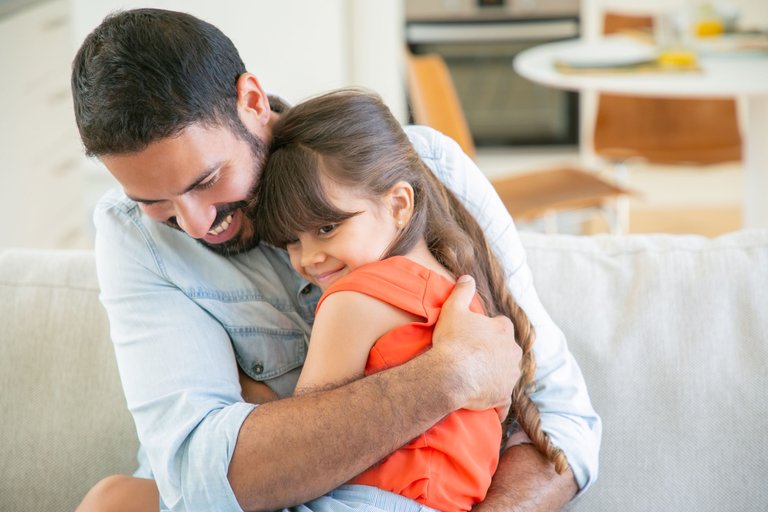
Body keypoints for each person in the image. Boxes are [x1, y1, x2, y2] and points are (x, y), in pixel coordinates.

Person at [71, 7, 601, 512]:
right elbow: (198, 477)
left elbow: (561, 421)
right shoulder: (132, 237)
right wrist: (448, 377)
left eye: (207, 181)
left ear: (252, 101)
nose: (193, 225)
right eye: (155, 202)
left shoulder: (421, 167)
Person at [251, 89, 569, 512]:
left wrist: (245, 387)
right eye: (292, 240)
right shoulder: (469, 301)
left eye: (327, 228)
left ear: (399, 204)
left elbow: (304, 448)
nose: (308, 258)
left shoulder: (352, 301)